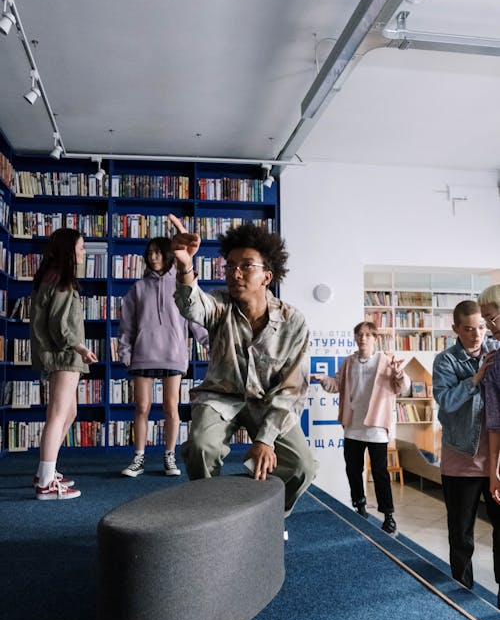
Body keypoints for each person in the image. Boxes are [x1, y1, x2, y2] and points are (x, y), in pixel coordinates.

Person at [167, 213, 316, 517]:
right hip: (222, 397)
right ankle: (211, 517)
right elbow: (192, 305)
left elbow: (290, 389)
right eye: (230, 266)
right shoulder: (220, 305)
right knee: (200, 447)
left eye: (246, 266)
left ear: (267, 276)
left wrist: (265, 440)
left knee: (302, 466)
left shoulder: (293, 322)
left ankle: (267, 516)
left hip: (270, 403)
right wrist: (184, 266)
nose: (235, 273)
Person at [118, 237, 208, 477]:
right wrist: (125, 351)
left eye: (158, 253)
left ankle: (169, 457)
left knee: (171, 407)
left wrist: (209, 342)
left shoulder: (182, 284)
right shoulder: (138, 288)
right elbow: (127, 325)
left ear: (168, 255)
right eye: (150, 253)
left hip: (173, 353)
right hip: (143, 354)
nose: (154, 257)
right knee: (142, 407)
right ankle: (138, 458)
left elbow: (195, 318)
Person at [432, 299, 500, 606]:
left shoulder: (496, 352)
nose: (477, 335)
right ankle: (461, 593)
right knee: (461, 536)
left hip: (496, 465)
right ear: (456, 329)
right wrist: (474, 380)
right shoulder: (445, 361)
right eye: (469, 329)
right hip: (460, 462)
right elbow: (446, 404)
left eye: (482, 327)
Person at [313, 321, 409, 535]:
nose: (363, 338)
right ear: (355, 338)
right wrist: (323, 380)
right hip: (353, 426)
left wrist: (399, 373)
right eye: (359, 334)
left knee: (380, 473)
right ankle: (360, 506)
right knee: (353, 469)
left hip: (376, 427)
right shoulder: (348, 362)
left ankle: (389, 515)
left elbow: (402, 387)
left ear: (375, 338)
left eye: (367, 335)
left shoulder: (386, 361)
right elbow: (336, 385)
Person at [30, 228, 98, 500]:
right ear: (69, 250)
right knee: (58, 415)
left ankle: (46, 470)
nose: (83, 253)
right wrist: (79, 347)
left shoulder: (54, 276)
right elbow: (59, 324)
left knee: (68, 413)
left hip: (65, 355)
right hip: (64, 355)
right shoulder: (60, 280)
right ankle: (45, 482)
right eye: (81, 247)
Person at [477, 285, 500, 507]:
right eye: (485, 320)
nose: (490, 327)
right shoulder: (494, 363)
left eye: (491, 318)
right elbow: (494, 423)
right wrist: (494, 471)